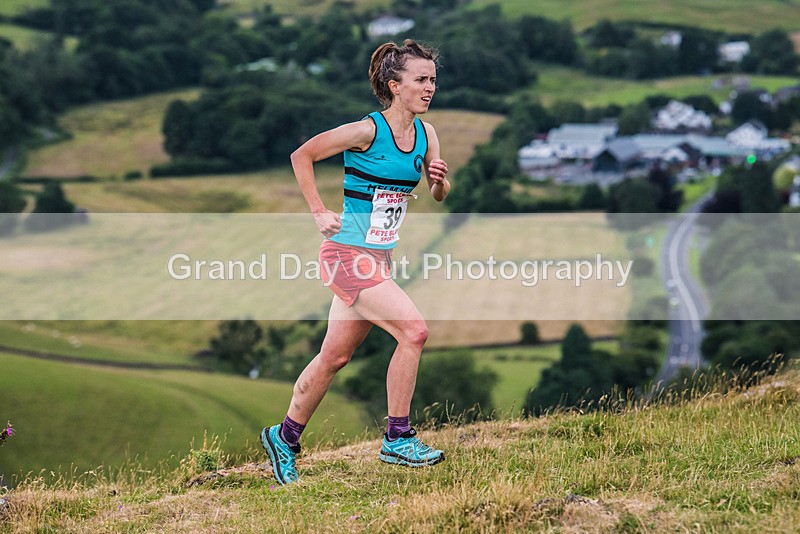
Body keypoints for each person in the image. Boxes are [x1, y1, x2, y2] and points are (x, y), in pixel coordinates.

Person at [260, 39, 450, 485]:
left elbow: (438, 194)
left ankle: (283, 438)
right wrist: (319, 211)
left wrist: (440, 183)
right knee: (414, 331)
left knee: (334, 357)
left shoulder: (427, 135)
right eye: (421, 80)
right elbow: (301, 155)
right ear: (394, 85)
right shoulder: (366, 131)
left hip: (378, 259)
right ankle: (397, 438)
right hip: (345, 254)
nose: (430, 88)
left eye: (433, 80)